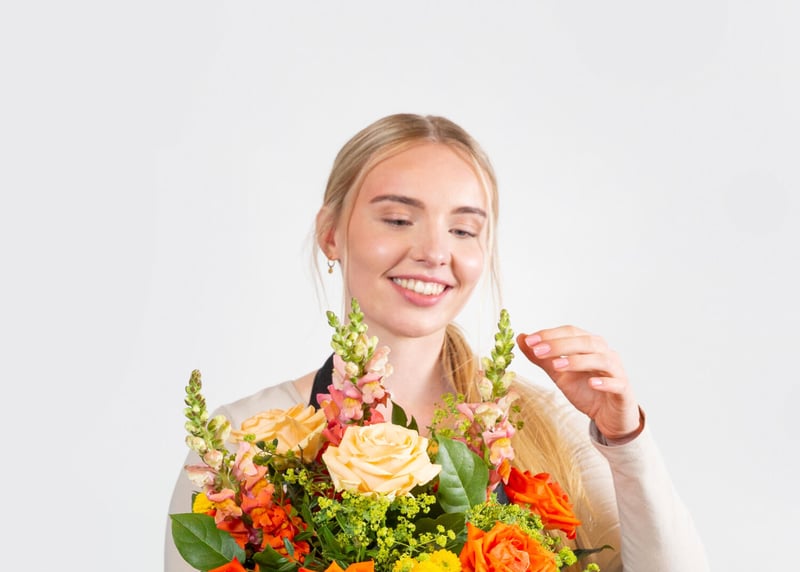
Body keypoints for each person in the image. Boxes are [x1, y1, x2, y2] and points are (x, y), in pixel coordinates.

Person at [166, 113, 709, 571]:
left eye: (463, 230)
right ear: (331, 234)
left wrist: (624, 438)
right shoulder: (240, 442)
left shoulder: (551, 425)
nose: (433, 251)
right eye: (398, 219)